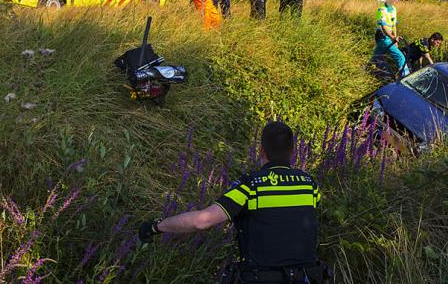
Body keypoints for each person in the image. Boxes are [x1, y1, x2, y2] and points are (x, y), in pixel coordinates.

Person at [138, 121, 328, 283]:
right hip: (307, 278)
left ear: (261, 150)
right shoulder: (309, 185)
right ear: (292, 151)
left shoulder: (251, 185)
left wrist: (157, 226)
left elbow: (201, 221)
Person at [372, 0, 410, 78]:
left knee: (376, 56)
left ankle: (366, 69)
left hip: (389, 38)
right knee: (400, 57)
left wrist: (395, 39)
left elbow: (394, 26)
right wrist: (393, 38)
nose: (394, 2)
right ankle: (405, 78)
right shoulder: (381, 10)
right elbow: (384, 28)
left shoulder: (393, 9)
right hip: (382, 37)